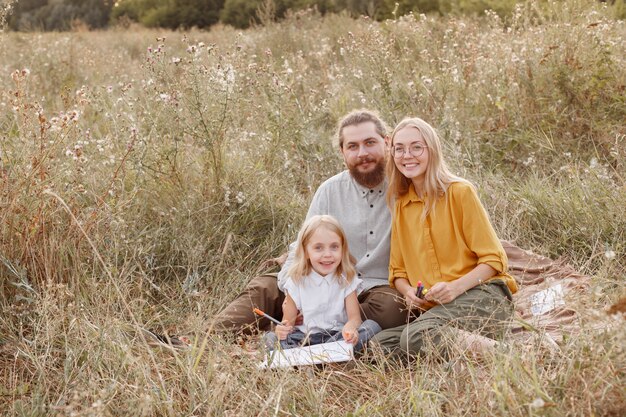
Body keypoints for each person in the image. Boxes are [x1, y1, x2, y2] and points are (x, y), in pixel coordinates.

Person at [214, 110, 409, 334]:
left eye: (370, 143)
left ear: (386, 143)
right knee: (265, 287)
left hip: (375, 288)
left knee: (394, 307)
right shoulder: (330, 190)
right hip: (319, 278)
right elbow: (302, 245)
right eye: (352, 146)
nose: (362, 153)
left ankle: (317, 328)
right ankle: (200, 339)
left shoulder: (407, 190)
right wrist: (293, 294)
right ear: (342, 152)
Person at [371, 117, 518, 359]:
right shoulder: (402, 205)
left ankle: (515, 356)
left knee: (415, 337)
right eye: (399, 149)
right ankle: (466, 345)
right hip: (439, 309)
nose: (407, 155)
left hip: (483, 296)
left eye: (416, 147)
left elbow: (494, 260)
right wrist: (408, 292)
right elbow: (397, 272)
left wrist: (455, 288)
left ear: (432, 150)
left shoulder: (460, 192)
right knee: (378, 346)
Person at [263, 215, 381, 351]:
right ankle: (311, 356)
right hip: (304, 338)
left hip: (337, 336)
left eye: (334, 247)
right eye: (318, 248)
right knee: (272, 338)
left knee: (372, 326)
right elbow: (288, 323)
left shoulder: (346, 278)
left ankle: (327, 354)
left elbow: (355, 318)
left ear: (342, 249)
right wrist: (282, 330)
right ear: (306, 251)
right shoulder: (296, 281)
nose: (327, 254)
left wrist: (350, 328)